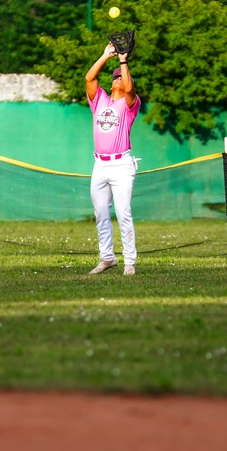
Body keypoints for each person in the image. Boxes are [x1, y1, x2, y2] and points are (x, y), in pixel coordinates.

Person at [85, 40, 141, 275]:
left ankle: (130, 261)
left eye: (123, 76)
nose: (119, 78)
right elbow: (89, 79)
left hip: (121, 164)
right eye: (116, 76)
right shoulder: (99, 100)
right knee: (100, 214)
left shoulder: (130, 104)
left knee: (123, 212)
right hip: (100, 164)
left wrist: (123, 60)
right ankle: (107, 258)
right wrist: (105, 55)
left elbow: (129, 90)